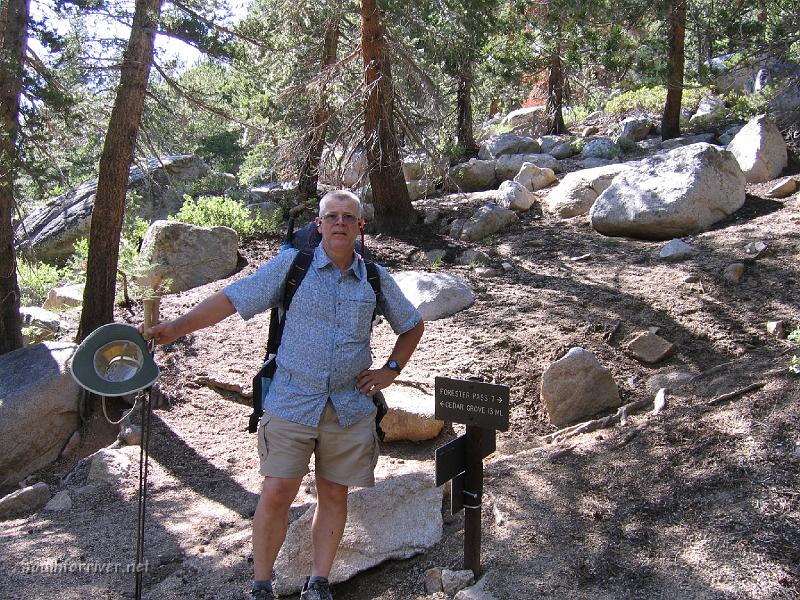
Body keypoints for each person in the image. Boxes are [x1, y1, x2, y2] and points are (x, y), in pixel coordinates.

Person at [143, 190, 424, 600]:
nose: (340, 223)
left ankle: (318, 582)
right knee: (276, 490)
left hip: (347, 406)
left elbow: (412, 326)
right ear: (320, 225)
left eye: (349, 217)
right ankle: (261, 584)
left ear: (360, 226)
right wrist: (177, 328)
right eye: (332, 217)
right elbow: (232, 298)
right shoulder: (293, 266)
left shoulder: (376, 278)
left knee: (333, 491)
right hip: (293, 398)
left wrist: (390, 371)